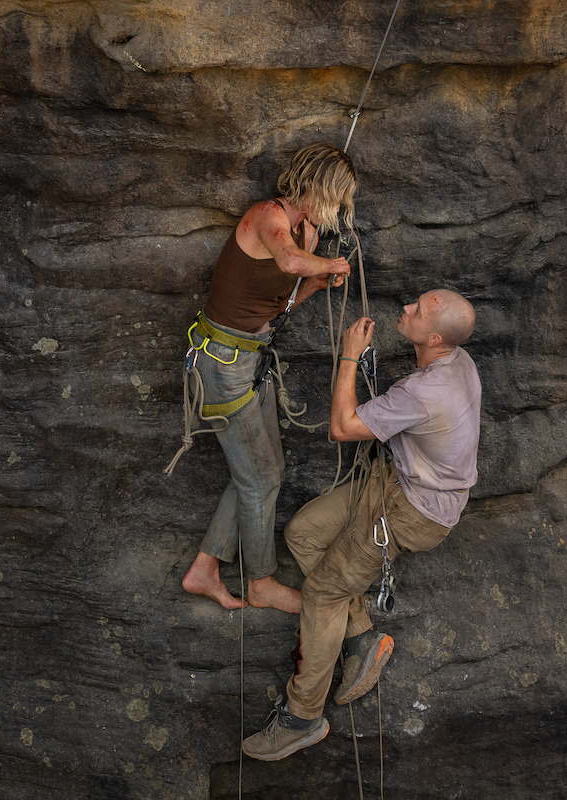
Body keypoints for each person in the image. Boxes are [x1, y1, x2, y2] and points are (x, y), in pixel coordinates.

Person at [241, 289, 481, 761]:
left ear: (435, 338)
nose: (406, 307)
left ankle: (302, 718)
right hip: (395, 484)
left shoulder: (425, 392)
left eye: (418, 310)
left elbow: (343, 428)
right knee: (302, 533)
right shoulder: (459, 359)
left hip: (413, 512)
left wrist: (349, 356)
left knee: (322, 593)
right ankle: (360, 637)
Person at [179, 142, 358, 615]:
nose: (339, 210)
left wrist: (316, 284)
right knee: (259, 479)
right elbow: (290, 263)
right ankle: (260, 583)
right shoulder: (267, 218)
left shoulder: (304, 232)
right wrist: (329, 265)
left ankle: (204, 569)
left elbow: (277, 303)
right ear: (317, 188)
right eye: (337, 199)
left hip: (249, 359)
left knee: (265, 472)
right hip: (220, 365)